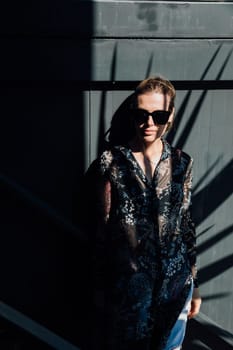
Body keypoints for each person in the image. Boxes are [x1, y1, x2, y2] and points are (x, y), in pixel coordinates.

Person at [79, 76, 202, 350]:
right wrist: (99, 290)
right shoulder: (111, 163)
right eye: (141, 114)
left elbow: (185, 224)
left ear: (169, 117)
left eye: (158, 115)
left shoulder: (182, 163)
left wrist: (194, 284)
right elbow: (101, 231)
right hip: (128, 292)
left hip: (175, 286)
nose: (149, 123)